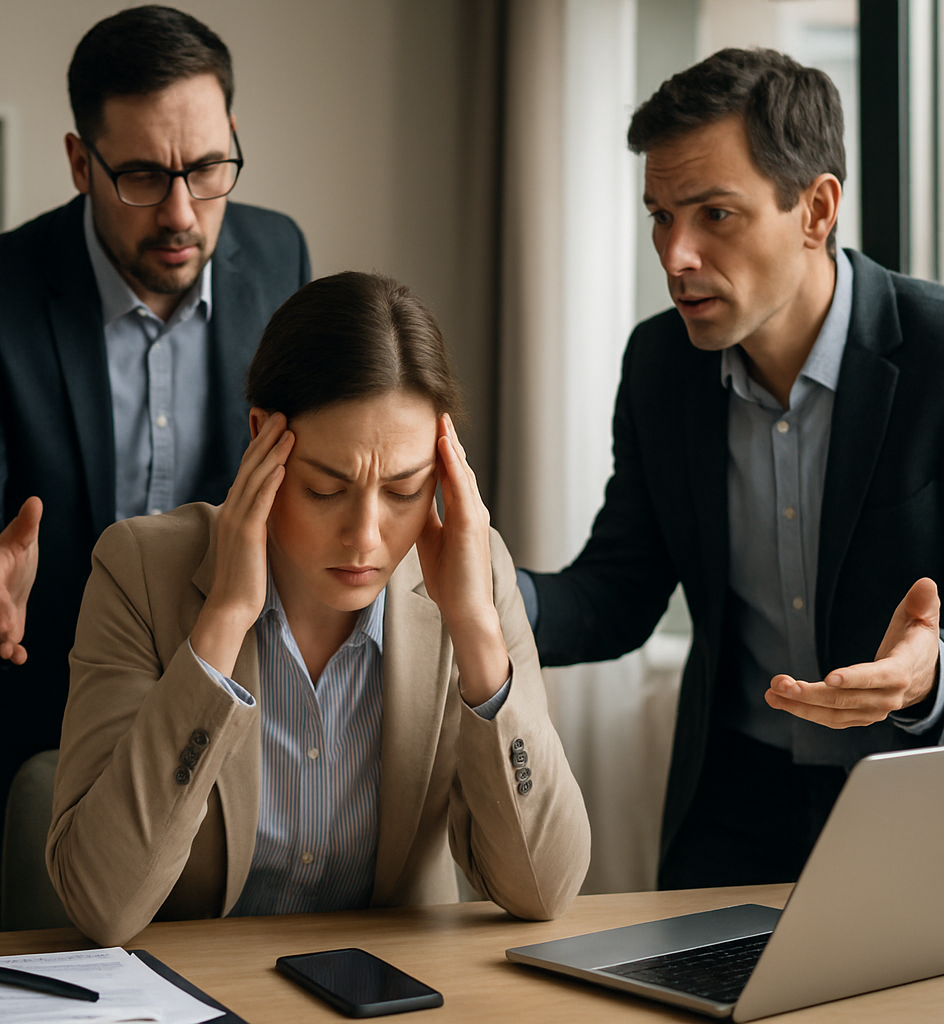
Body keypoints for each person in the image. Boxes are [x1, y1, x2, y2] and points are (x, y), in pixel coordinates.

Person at [517, 47, 944, 888]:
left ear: (816, 209)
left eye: (715, 214)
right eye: (661, 216)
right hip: (732, 809)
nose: (675, 255)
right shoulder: (661, 364)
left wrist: (935, 676)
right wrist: (490, 595)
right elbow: (620, 591)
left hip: (925, 801)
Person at [0, 5, 310, 933]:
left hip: (228, 711)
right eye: (142, 177)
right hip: (27, 719)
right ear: (80, 162)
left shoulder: (278, 253)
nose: (181, 214)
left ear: (233, 136)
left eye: (207, 169)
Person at [46, 272, 590, 947]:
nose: (365, 536)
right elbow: (100, 904)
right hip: (195, 989)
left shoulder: (473, 574)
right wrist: (222, 623)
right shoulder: (139, 571)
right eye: (326, 489)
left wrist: (477, 631)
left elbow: (544, 889)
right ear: (261, 440)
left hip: (392, 988)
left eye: (403, 491)